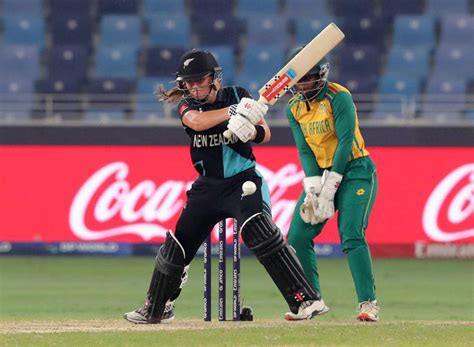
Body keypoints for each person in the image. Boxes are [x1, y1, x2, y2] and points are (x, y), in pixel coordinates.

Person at [124, 49, 327, 324]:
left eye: (199, 80)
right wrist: (233, 112)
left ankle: (306, 300)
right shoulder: (189, 107)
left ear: (214, 78)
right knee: (178, 244)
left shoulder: (237, 94)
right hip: (207, 188)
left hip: (242, 181)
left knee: (259, 231)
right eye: (189, 82)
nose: (194, 87)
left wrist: (251, 130)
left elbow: (265, 134)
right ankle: (157, 308)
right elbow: (197, 122)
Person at [284, 46, 380, 322]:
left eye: (308, 78)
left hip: (355, 170)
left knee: (351, 234)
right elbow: (304, 149)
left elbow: (346, 140)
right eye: (299, 79)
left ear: (321, 75)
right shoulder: (294, 108)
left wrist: (333, 183)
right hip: (322, 174)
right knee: (297, 237)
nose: (303, 85)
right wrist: (314, 186)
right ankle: (311, 300)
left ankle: (368, 303)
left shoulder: (339, 97)